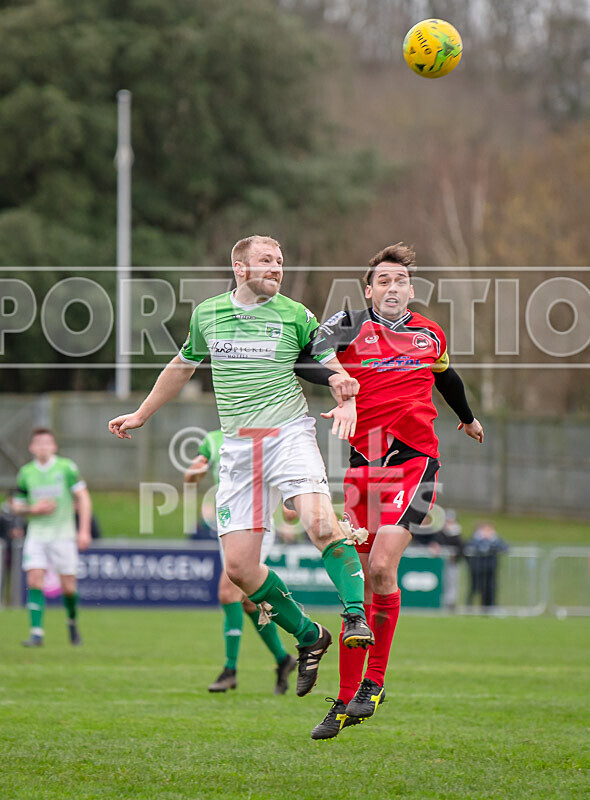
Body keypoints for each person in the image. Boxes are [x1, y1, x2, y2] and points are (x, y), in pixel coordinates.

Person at [109, 234, 374, 700]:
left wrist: (344, 389)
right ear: (240, 267)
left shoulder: (296, 314)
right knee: (239, 569)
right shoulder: (208, 314)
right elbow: (181, 366)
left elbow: (328, 364)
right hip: (238, 448)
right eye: (266, 260)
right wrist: (141, 413)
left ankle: (355, 615)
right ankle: (309, 636)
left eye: (280, 261)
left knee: (319, 523)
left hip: (289, 435)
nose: (276, 267)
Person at [309, 242, 484, 739]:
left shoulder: (429, 333)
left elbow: (447, 377)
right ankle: (344, 699)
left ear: (411, 289)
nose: (392, 287)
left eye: (400, 280)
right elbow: (305, 359)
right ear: (369, 290)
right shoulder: (347, 325)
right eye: (383, 280)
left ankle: (375, 683)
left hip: (416, 463)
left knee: (383, 567)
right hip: (363, 464)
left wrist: (468, 418)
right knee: (360, 587)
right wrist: (339, 381)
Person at [184, 428, 297, 694]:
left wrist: (290, 500)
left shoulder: (265, 436)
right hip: (228, 526)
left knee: (227, 592)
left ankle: (230, 670)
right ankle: (283, 659)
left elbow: (284, 480)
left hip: (256, 526)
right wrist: (194, 473)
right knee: (247, 601)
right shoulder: (213, 439)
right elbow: (191, 473)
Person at [12, 428, 92, 646]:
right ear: (32, 447)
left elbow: (83, 498)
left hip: (63, 535)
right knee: (34, 580)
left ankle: (72, 621)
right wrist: (33, 509)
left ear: (54, 446)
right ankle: (36, 633)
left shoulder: (66, 468)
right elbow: (17, 506)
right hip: (37, 535)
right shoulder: (26, 472)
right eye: (38, 443)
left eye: (47, 443)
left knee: (68, 587)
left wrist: (84, 530)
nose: (43, 447)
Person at [464, 522, 508, 610]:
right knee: (474, 588)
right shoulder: (474, 539)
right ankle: (469, 607)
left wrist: (492, 544)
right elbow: (468, 548)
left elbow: (505, 547)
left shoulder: (495, 540)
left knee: (491, 588)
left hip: (491, 568)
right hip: (477, 568)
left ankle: (489, 607)